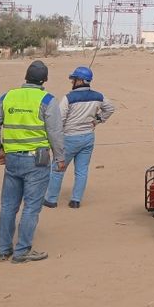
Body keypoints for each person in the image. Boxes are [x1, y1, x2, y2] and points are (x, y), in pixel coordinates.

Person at [0, 60, 66, 263]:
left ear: (26, 77)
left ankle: (4, 249)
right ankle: (22, 251)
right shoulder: (47, 100)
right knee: (31, 206)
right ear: (44, 79)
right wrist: (60, 157)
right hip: (37, 161)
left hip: (12, 159)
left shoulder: (8, 96)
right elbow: (55, 133)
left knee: (8, 205)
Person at [43, 65, 115, 209]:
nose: (72, 82)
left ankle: (51, 199)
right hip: (88, 137)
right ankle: (76, 200)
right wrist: (98, 120)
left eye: (74, 79)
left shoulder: (69, 98)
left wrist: (56, 137)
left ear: (80, 81)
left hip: (69, 138)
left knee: (58, 168)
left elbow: (59, 119)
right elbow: (110, 108)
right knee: (81, 171)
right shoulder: (98, 96)